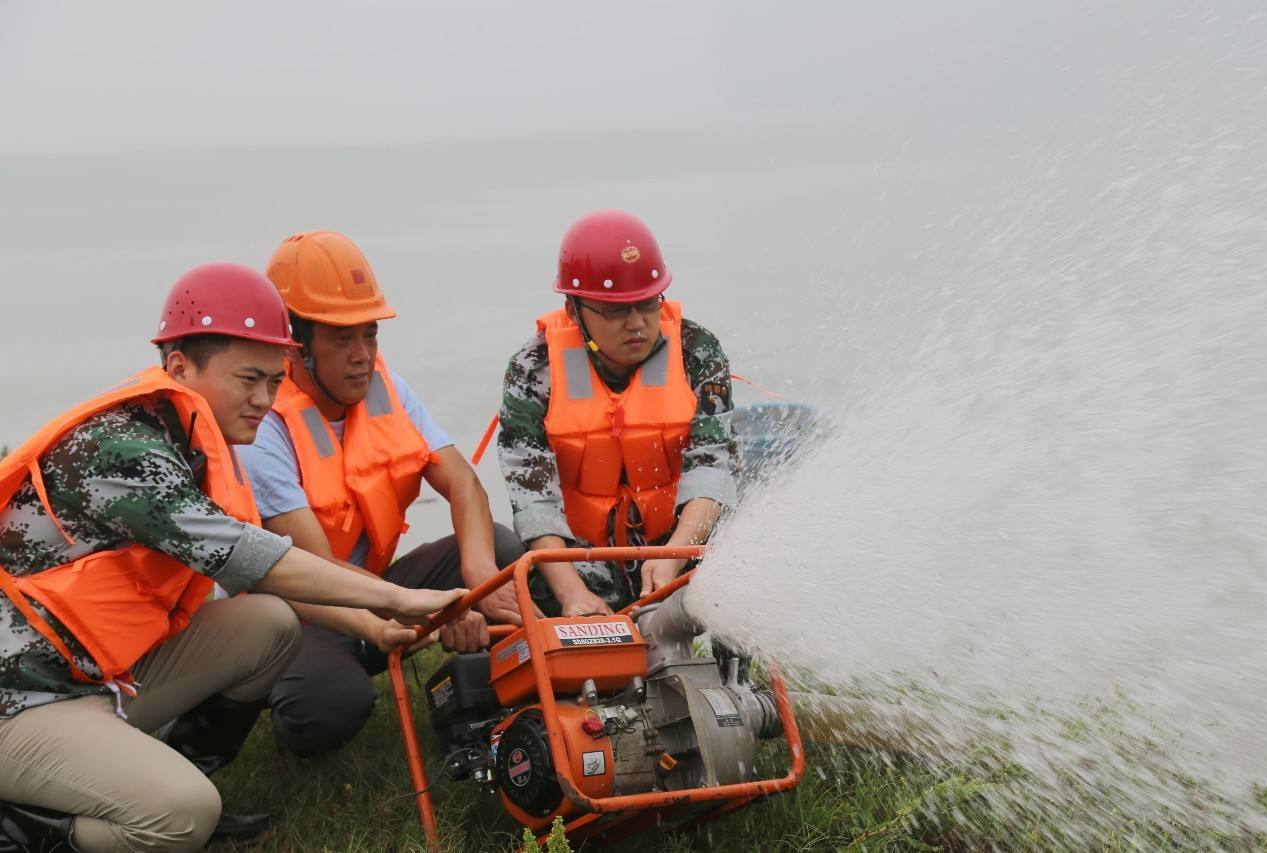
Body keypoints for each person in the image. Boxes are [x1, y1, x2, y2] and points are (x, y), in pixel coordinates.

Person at [0, 263, 474, 853]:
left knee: (268, 625)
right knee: (180, 818)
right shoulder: (125, 449)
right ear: (179, 366)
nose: (264, 400)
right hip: (22, 698)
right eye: (248, 379)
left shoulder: (190, 436)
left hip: (92, 676)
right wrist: (399, 597)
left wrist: (381, 624)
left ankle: (159, 773)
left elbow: (270, 580)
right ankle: (25, 828)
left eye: (275, 381)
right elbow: (255, 556)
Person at [238, 231, 524, 756]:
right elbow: (315, 568)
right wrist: (432, 608)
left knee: (507, 556)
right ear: (295, 341)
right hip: (301, 612)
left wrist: (478, 579)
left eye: (370, 336)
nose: (362, 356)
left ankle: (491, 699)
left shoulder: (383, 386)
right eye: (342, 339)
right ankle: (265, 703)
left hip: (380, 593)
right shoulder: (262, 421)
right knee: (328, 705)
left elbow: (463, 483)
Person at [497, 210, 738, 616]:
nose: (636, 324)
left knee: (735, 558)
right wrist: (572, 594)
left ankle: (739, 676)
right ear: (575, 310)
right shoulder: (533, 370)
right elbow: (533, 497)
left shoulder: (698, 351)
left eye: (646, 304)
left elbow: (713, 464)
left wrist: (674, 556)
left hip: (681, 543)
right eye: (614, 310)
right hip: (579, 562)